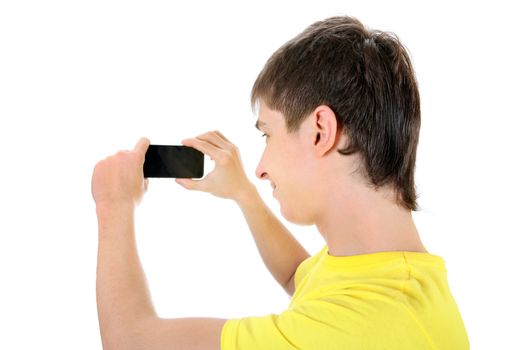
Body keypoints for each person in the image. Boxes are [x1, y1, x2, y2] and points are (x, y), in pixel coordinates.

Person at [91, 15, 469, 350]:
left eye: (267, 135)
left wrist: (114, 204)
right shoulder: (390, 273)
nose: (260, 168)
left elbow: (130, 341)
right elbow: (298, 277)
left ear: (321, 131)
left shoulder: (355, 329)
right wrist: (242, 193)